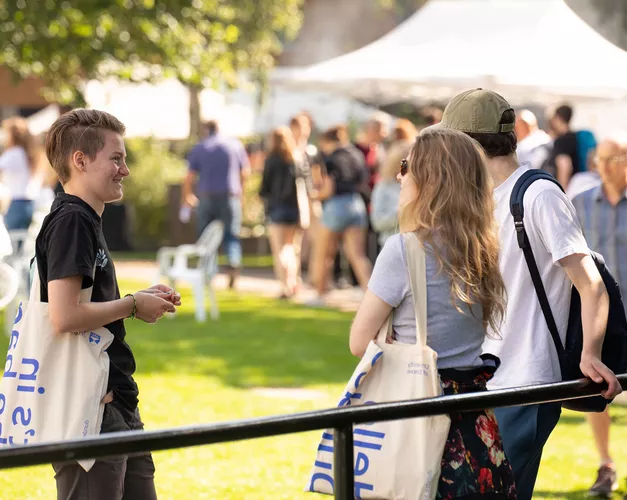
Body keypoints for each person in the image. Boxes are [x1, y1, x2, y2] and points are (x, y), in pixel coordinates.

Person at [435, 88, 622, 500]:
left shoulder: (538, 195)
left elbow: (590, 283)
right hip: (478, 379)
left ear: (467, 145)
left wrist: (590, 354)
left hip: (524, 383)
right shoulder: (477, 196)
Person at [350, 127, 516, 498]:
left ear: (431, 179)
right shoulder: (483, 247)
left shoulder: (404, 250)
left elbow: (360, 342)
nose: (399, 176)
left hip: (420, 419)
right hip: (477, 426)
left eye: (406, 167)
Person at [39, 108, 181, 500]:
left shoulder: (85, 218)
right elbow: (64, 315)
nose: (125, 170)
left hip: (115, 401)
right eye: (116, 159)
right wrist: (133, 305)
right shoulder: (72, 221)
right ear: (80, 161)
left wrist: (139, 298)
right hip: (92, 409)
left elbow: (84, 303)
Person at [571, 132, 627, 498]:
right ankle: (606, 465)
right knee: (598, 389)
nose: (603, 167)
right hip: (600, 318)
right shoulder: (579, 204)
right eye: (599, 160)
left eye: (612, 159)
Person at [181, 120, 250, 289]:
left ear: (206, 130)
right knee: (231, 234)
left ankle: (208, 272)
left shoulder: (200, 147)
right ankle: (233, 262)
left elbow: (189, 176)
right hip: (230, 195)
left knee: (206, 236)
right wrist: (242, 194)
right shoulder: (234, 145)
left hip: (206, 196)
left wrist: (187, 195)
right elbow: (245, 172)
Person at [308, 126, 371, 305]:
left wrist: (314, 195)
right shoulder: (357, 154)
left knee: (323, 253)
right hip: (356, 203)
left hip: (336, 206)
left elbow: (328, 189)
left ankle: (320, 294)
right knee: (358, 255)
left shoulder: (332, 158)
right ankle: (370, 294)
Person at [259, 127, 303, 299]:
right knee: (291, 247)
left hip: (277, 208)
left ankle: (285, 285)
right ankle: (293, 282)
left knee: (280, 250)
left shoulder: (271, 160)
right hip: (292, 209)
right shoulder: (294, 159)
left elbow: (264, 188)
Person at [370, 119, 417, 246]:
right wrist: (403, 213)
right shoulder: (384, 187)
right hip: (392, 244)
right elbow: (377, 222)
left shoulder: (420, 186)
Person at [0, 117, 44, 230]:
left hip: (15, 204)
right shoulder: (25, 153)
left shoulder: (14, 153)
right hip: (27, 204)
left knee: (13, 238)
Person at [548, 104, 581, 188]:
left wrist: (562, 189)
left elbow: (564, 165)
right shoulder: (574, 136)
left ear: (558, 118)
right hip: (575, 184)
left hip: (566, 187)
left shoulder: (561, 140)